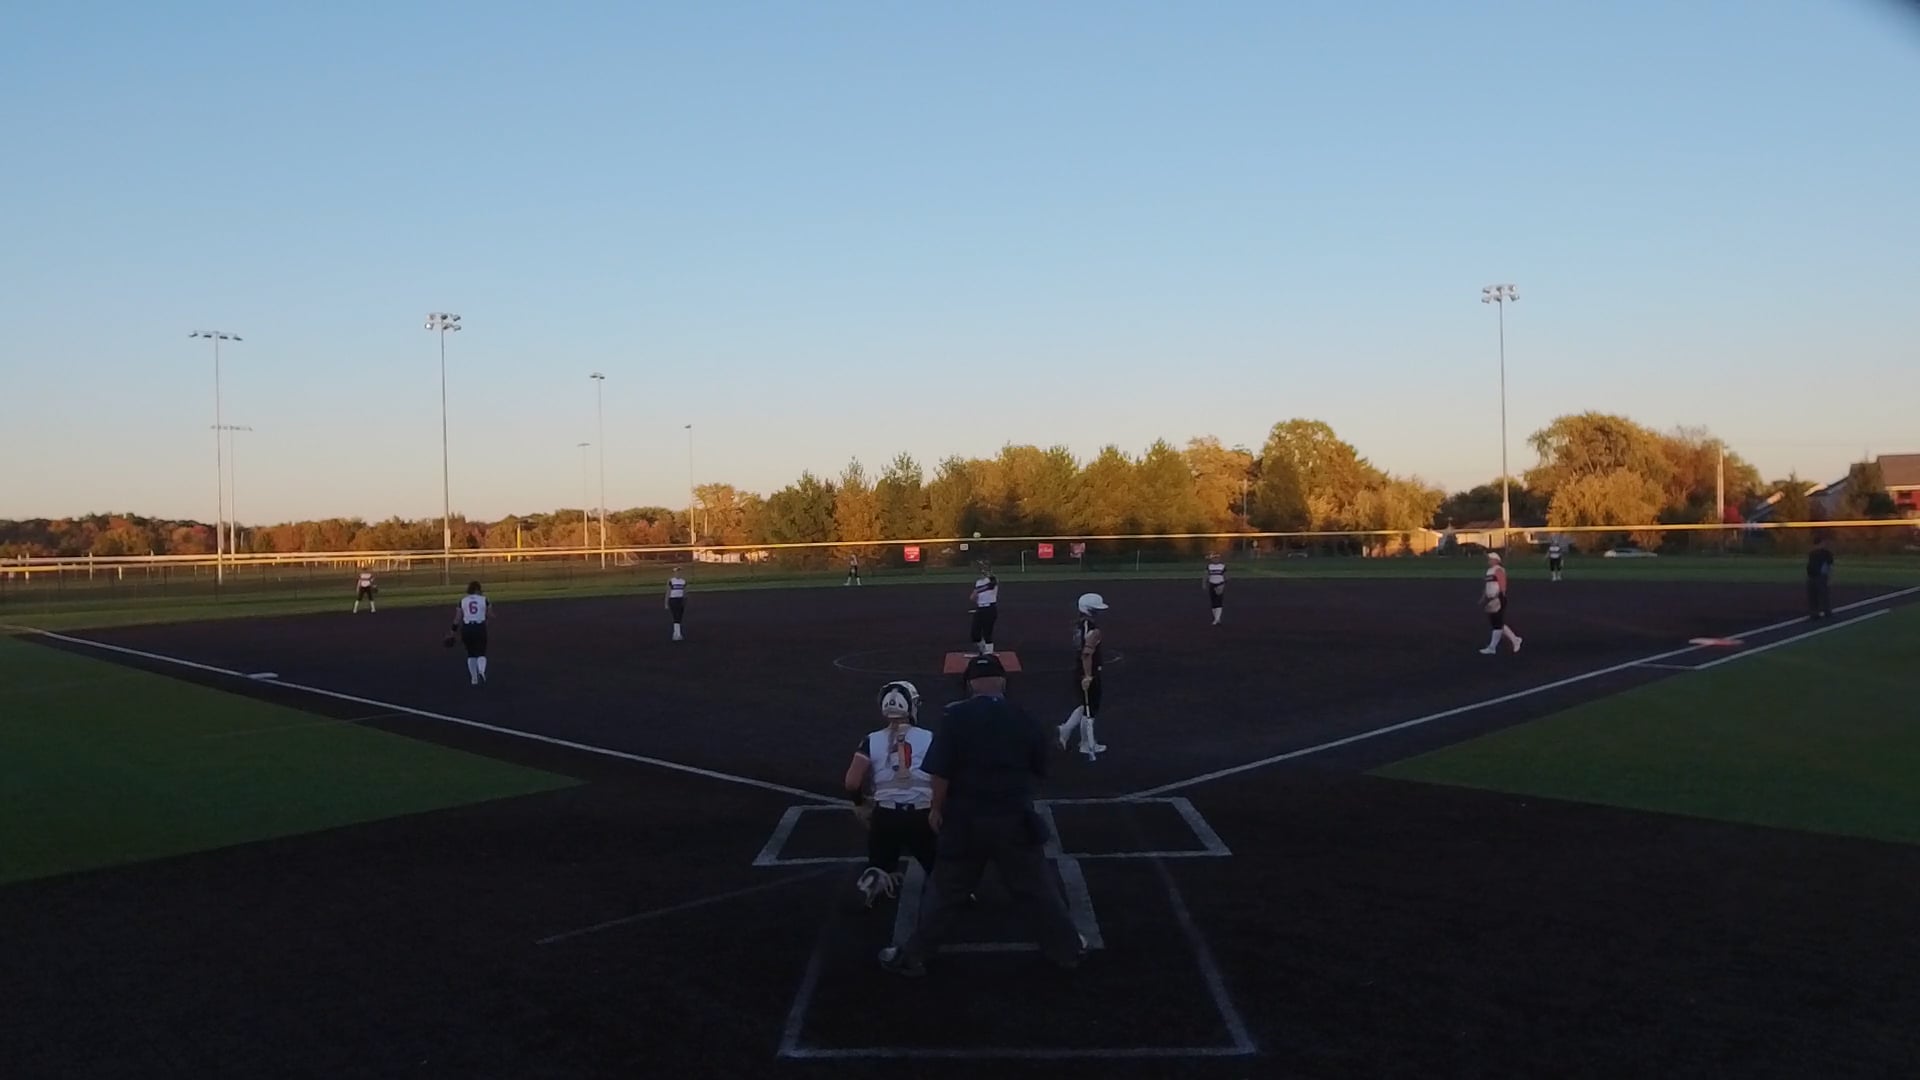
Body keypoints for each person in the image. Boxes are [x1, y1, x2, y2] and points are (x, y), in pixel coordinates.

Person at [879, 654, 1086, 978]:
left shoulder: (954, 718)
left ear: (970, 685)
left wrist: (936, 808)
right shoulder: (1024, 717)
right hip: (1013, 820)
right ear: (1003, 682)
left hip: (964, 822)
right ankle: (1068, 951)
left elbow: (940, 772)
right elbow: (1040, 768)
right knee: (1036, 889)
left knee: (945, 892)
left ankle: (913, 956)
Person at [844, 681, 936, 908]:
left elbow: (852, 782)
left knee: (880, 861)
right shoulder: (930, 737)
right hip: (921, 814)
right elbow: (942, 776)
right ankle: (959, 894)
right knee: (942, 867)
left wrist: (860, 803)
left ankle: (871, 881)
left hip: (885, 815)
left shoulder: (871, 739)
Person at [1057, 593, 1109, 759]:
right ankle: (1086, 744)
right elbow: (1087, 653)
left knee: (1083, 705)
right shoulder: (1093, 630)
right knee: (1090, 709)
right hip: (1089, 671)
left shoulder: (1079, 625)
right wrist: (1088, 676)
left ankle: (1065, 730)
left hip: (1079, 669)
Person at [1479, 552, 1523, 655]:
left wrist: (1500, 597)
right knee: (1497, 623)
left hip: (1498, 598)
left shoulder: (1498, 569)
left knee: (1497, 624)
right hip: (1491, 599)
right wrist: (1483, 597)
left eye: (1490, 559)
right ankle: (1515, 639)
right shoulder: (1489, 571)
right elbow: (1487, 585)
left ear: (1496, 560)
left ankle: (1493, 647)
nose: (1488, 560)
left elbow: (1502, 584)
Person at [451, 580, 491, 685]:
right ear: (477, 589)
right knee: (481, 653)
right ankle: (481, 670)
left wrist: (452, 632)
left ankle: (474, 678)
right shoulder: (484, 599)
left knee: (471, 654)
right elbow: (489, 614)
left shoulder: (462, 601)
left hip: (467, 628)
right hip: (479, 627)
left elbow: (457, 618)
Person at [968, 560, 1000, 656]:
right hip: (980, 608)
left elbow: (991, 584)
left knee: (987, 632)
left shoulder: (992, 580)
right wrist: (975, 594)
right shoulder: (978, 582)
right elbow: (973, 597)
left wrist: (977, 591)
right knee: (975, 633)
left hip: (990, 608)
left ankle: (989, 653)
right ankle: (982, 651)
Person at [1807, 534, 1834, 619]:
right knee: (1814, 596)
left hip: (1819, 577)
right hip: (1813, 576)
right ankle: (1815, 613)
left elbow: (1829, 566)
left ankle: (1826, 612)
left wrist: (1828, 577)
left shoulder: (1826, 553)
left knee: (1822, 595)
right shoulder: (1812, 553)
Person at [665, 567, 688, 641]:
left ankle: (676, 633)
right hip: (673, 600)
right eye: (677, 572)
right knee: (676, 616)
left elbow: (684, 591)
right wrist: (666, 603)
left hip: (680, 600)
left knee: (679, 617)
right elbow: (668, 592)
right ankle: (677, 634)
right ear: (674, 573)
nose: (678, 573)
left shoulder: (683, 581)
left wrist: (685, 600)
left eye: (679, 572)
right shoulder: (671, 581)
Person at [1204, 553, 1227, 625]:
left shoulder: (1222, 566)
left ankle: (1217, 619)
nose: (1216, 559)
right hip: (1212, 584)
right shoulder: (1209, 566)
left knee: (1219, 601)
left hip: (1219, 584)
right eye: (1214, 558)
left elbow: (1226, 576)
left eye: (1217, 558)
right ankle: (1216, 618)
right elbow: (1206, 575)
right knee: (1213, 602)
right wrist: (1204, 583)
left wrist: (1222, 585)